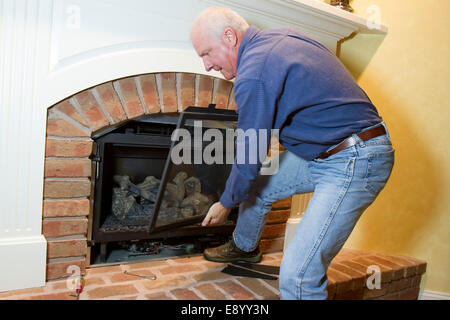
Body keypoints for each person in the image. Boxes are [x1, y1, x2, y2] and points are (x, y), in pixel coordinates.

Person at [189, 7, 394, 300]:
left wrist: (226, 203)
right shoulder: (281, 38)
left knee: (299, 277)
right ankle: (245, 248)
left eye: (207, 53)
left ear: (230, 37)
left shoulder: (253, 73)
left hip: (354, 159)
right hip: (328, 150)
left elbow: (251, 150)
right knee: (258, 184)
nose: (207, 65)